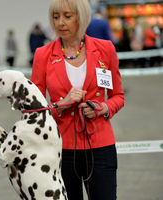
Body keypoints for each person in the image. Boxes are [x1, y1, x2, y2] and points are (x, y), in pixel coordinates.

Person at [31, 0, 124, 199]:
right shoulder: (42, 54)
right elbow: (33, 111)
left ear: (80, 18)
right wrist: (61, 104)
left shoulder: (105, 49)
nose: (60, 23)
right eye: (56, 17)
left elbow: (118, 96)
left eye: (67, 16)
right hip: (60, 149)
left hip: (100, 146)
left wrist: (102, 108)